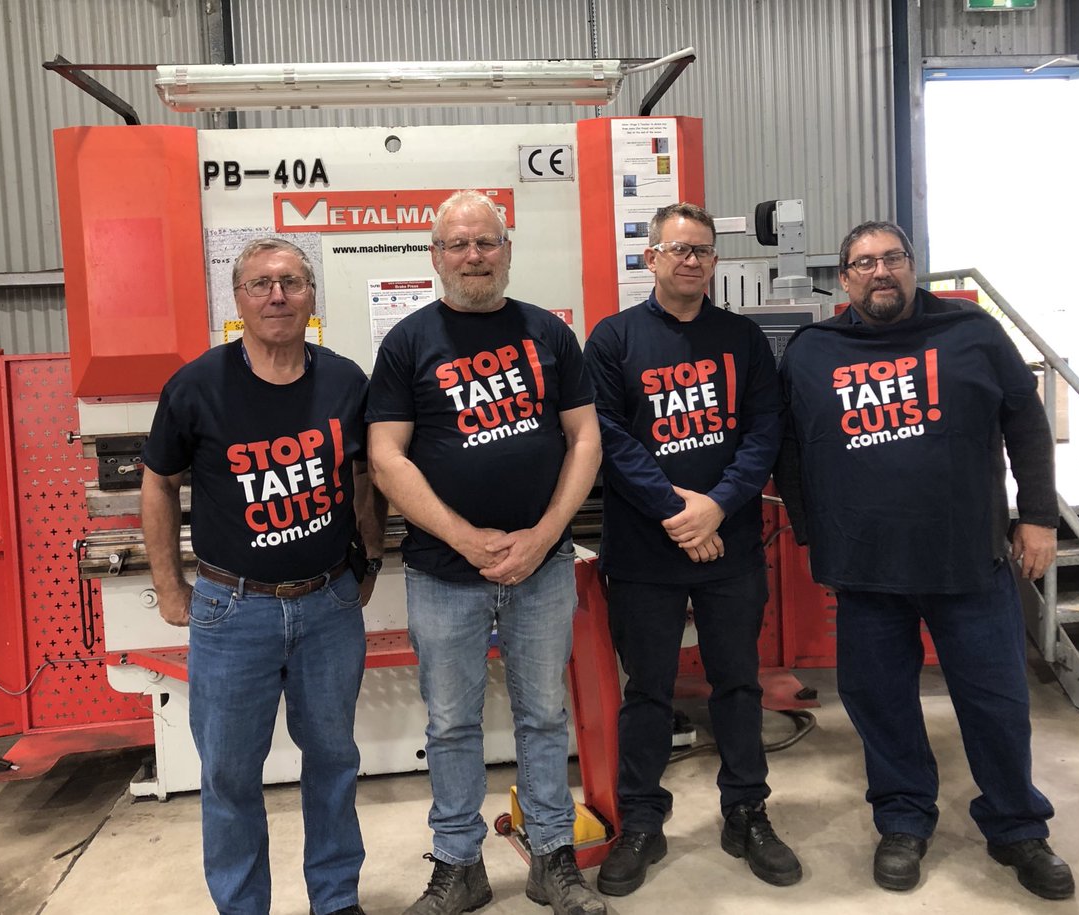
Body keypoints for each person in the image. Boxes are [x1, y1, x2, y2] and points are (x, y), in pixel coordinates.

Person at [774, 220, 1074, 900]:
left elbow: (1025, 421)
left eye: (893, 258)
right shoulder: (814, 349)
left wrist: (1039, 516)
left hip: (968, 560)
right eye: (865, 262)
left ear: (913, 266)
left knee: (996, 701)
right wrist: (810, 528)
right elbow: (787, 446)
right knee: (879, 702)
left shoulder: (973, 332)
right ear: (844, 278)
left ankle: (1017, 825)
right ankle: (903, 817)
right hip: (865, 568)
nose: (881, 271)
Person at [366, 190, 605, 915]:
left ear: (507, 249)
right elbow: (386, 458)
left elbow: (586, 438)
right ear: (436, 256)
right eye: (458, 244)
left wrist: (544, 535)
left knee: (543, 714)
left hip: (543, 568)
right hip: (445, 573)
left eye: (487, 242)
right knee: (450, 722)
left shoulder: (548, 334)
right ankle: (458, 864)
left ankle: (552, 859)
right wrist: (463, 537)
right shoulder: (408, 342)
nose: (474, 255)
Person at [141, 238, 383, 915]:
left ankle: (335, 899)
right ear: (238, 298)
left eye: (290, 282)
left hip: (330, 605)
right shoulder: (197, 385)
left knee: (333, 759)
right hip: (231, 611)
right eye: (260, 284)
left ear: (311, 294)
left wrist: (369, 556)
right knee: (227, 774)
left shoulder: (343, 380)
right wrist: (169, 585)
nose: (277, 295)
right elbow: (158, 481)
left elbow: (364, 475)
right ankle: (242, 905)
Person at [583, 202, 799, 897]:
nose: (690, 260)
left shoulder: (742, 339)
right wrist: (678, 509)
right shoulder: (613, 340)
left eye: (701, 250)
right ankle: (643, 818)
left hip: (729, 543)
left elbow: (765, 431)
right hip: (647, 549)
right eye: (676, 249)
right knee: (646, 690)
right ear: (649, 258)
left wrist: (718, 505)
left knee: (738, 683)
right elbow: (609, 439)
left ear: (714, 261)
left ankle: (746, 810)